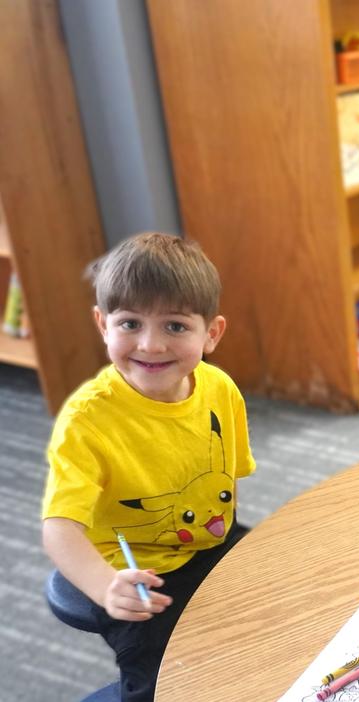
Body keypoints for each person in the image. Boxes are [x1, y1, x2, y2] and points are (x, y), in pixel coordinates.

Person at [41, 232, 254, 702]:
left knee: (283, 620)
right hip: (137, 576)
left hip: (211, 542)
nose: (151, 345)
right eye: (130, 323)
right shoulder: (86, 421)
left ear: (212, 333)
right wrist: (105, 586)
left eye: (175, 327)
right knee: (164, 687)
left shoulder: (219, 390)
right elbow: (59, 528)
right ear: (102, 324)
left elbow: (224, 486)